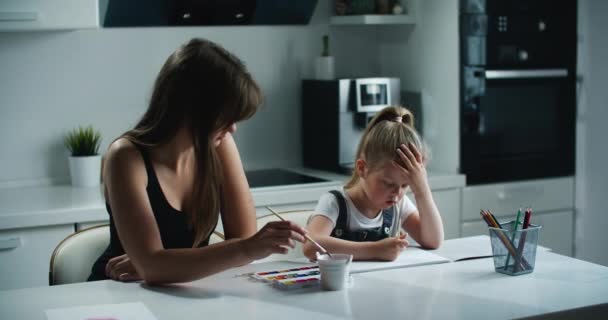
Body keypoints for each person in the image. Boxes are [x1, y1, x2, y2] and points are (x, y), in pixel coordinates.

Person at [88, 38, 307, 284]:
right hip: (121, 294)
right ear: (193, 110)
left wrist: (164, 265)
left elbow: (242, 240)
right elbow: (153, 267)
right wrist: (156, 265)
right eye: (224, 117)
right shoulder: (125, 157)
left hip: (186, 290)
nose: (233, 128)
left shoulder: (219, 144)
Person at [303, 105, 444, 261]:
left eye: (405, 185)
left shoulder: (399, 204)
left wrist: (422, 190)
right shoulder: (335, 202)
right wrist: (375, 250)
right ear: (362, 168)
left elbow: (433, 241)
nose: (397, 194)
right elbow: (311, 246)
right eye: (388, 183)